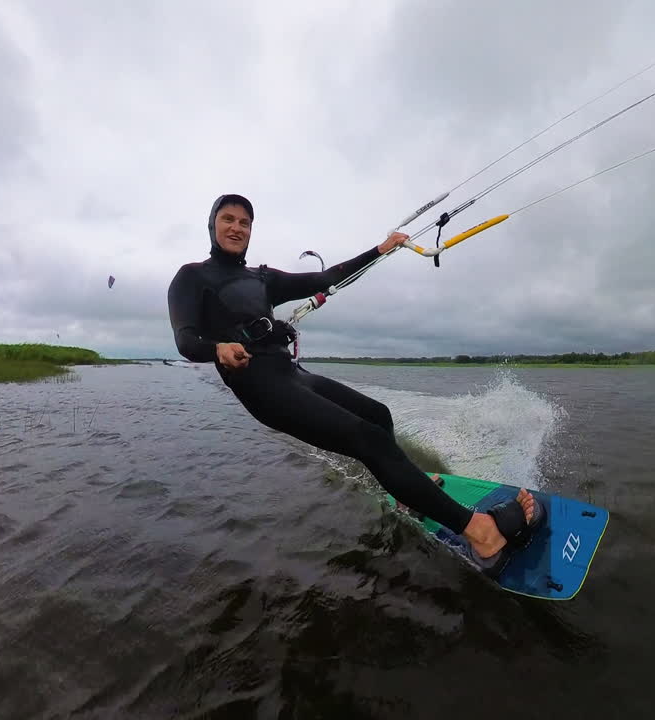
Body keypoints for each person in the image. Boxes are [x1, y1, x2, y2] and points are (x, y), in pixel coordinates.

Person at [167, 193, 544, 577]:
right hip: (260, 387)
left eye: (244, 222)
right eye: (228, 219)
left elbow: (327, 277)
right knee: (368, 439)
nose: (236, 228)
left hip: (291, 374)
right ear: (212, 224)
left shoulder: (261, 278)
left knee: (378, 415)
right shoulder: (192, 277)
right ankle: (481, 533)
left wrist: (380, 249)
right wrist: (217, 349)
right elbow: (185, 339)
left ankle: (409, 494)